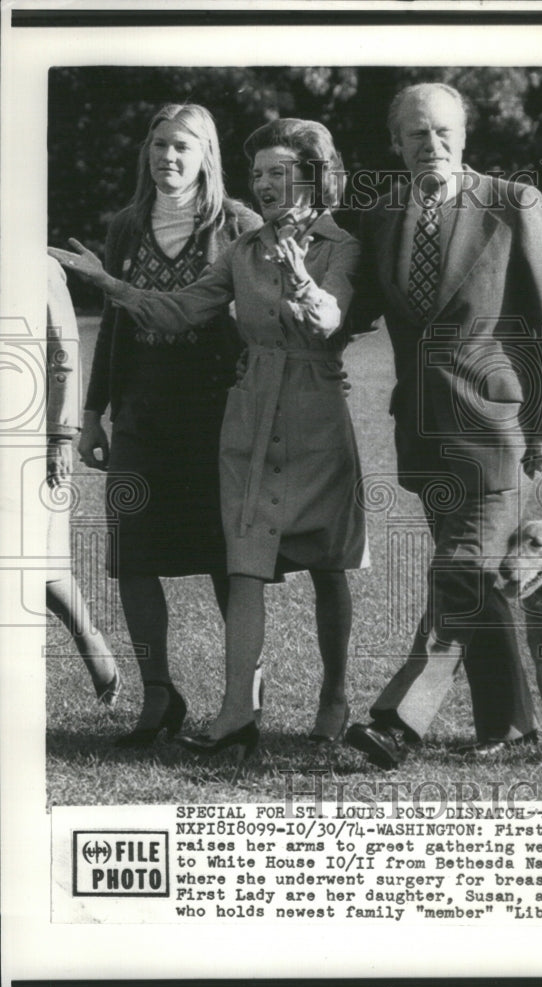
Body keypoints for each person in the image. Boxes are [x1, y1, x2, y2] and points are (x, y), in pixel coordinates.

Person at [51, 118, 365, 769]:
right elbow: (178, 308)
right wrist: (107, 283)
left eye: (283, 173)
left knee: (328, 564)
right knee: (244, 564)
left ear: (311, 176)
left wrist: (303, 274)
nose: (270, 184)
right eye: (262, 175)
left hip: (314, 416)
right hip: (248, 415)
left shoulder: (339, 245)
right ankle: (237, 716)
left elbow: (328, 319)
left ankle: (334, 696)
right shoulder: (244, 252)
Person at [344, 82, 542, 769]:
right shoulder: (382, 214)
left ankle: (397, 723)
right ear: (397, 143)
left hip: (497, 429)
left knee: (458, 570)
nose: (432, 145)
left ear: (465, 135)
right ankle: (511, 727)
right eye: (417, 134)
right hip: (421, 431)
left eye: (444, 131)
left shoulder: (512, 204)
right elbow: (351, 310)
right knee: (477, 584)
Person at [73, 103, 261, 747]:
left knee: (226, 560)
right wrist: (92, 413)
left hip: (219, 412)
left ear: (206, 153)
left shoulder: (238, 223)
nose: (168, 158)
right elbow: (117, 326)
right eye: (158, 146)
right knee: (133, 555)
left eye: (182, 146)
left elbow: (266, 319)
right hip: (142, 415)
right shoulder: (125, 227)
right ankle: (159, 694)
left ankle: (243, 700)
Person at [46, 256, 121, 709]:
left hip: (29, 434)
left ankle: (93, 647)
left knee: (39, 562)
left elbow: (64, 349)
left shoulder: (38, 267)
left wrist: (59, 434)